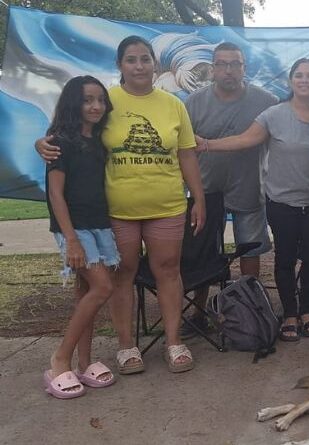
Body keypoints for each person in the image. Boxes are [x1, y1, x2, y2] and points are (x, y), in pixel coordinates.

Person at [37, 36, 206, 374]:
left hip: (168, 205)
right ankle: (127, 347)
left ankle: (174, 342)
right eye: (131, 60)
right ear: (120, 65)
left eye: (145, 59)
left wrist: (198, 198)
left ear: (154, 64)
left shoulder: (174, 105)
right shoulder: (106, 102)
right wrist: (42, 142)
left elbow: (186, 154)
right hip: (116, 210)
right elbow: (73, 135)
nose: (139, 66)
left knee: (168, 270)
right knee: (121, 274)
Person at [196, 58, 309, 342]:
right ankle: (289, 314)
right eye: (299, 75)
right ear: (291, 81)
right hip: (281, 202)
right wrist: (206, 144)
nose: (304, 80)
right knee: (285, 259)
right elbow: (244, 139)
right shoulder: (274, 114)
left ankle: (307, 312)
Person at [179, 42, 279, 338]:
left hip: (249, 187)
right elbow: (182, 149)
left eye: (235, 64)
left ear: (244, 68)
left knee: (251, 249)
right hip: (205, 191)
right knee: (203, 252)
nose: (228, 70)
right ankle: (198, 311)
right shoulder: (193, 103)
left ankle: (252, 310)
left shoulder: (267, 101)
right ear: (212, 68)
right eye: (221, 64)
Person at [43, 76, 118, 398]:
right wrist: (71, 239)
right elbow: (55, 194)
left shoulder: (99, 140)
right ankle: (59, 360)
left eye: (100, 100)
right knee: (103, 287)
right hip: (75, 229)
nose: (96, 106)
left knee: (86, 291)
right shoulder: (60, 142)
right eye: (88, 100)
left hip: (100, 225)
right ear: (74, 103)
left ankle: (85, 362)